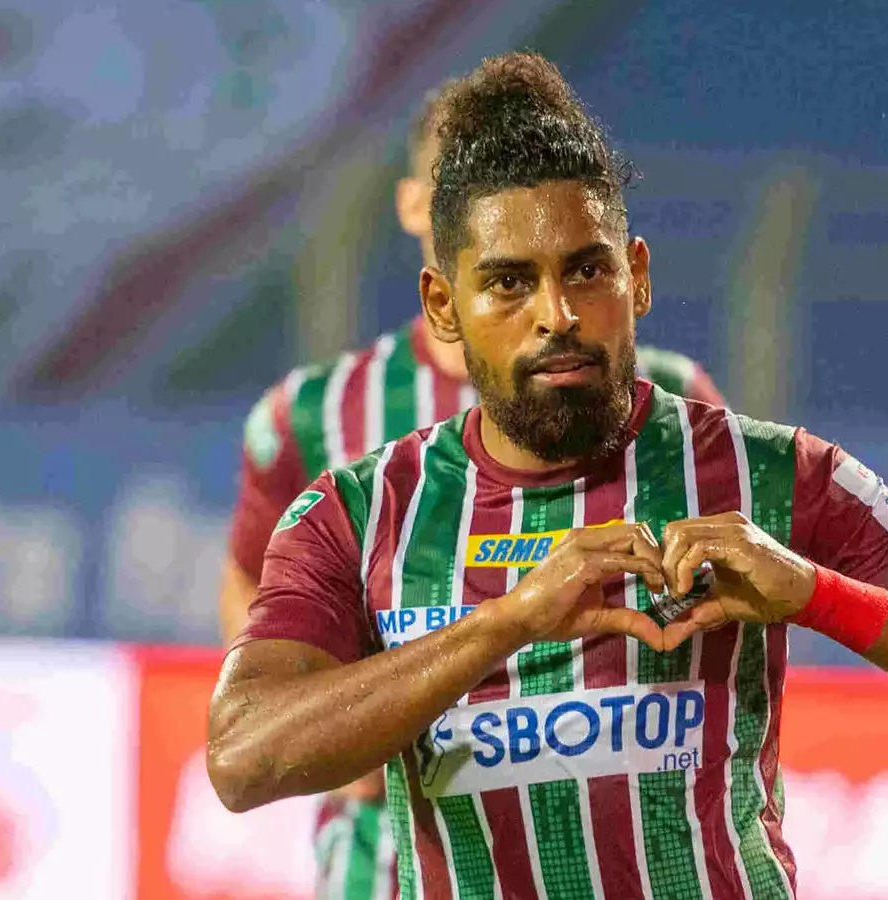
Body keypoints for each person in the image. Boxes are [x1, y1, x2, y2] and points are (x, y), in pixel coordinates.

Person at [208, 54, 888, 900]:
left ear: (640, 277)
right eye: (509, 284)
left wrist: (816, 594)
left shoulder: (765, 470)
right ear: (444, 306)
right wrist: (507, 624)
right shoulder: (358, 511)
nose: (557, 315)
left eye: (588, 270)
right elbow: (242, 757)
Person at [216, 85, 725, 900]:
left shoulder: (670, 399)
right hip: (390, 855)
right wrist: (331, 724)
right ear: (415, 206)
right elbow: (251, 583)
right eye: (455, 177)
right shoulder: (318, 412)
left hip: (621, 843)